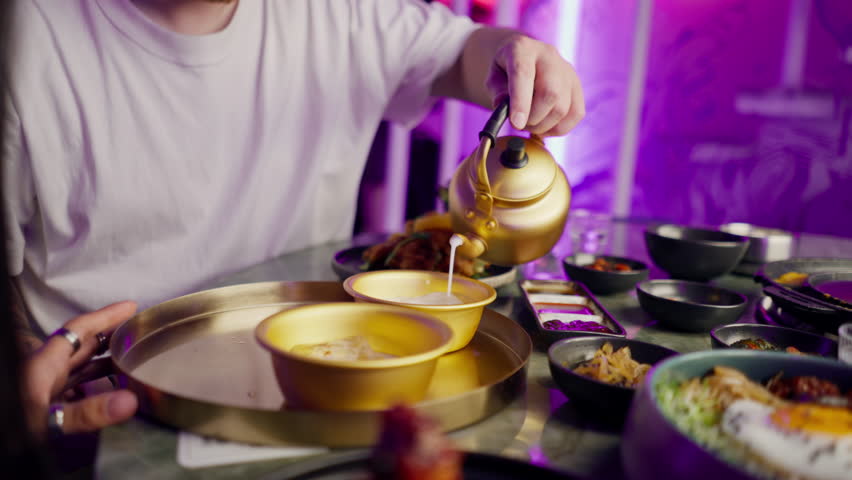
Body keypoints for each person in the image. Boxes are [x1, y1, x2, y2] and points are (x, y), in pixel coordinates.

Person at [4, 0, 584, 449]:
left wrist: (520, 53)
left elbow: (464, 55)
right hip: (103, 411)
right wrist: (24, 367)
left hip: (325, 396)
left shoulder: (338, 14)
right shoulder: (27, 36)